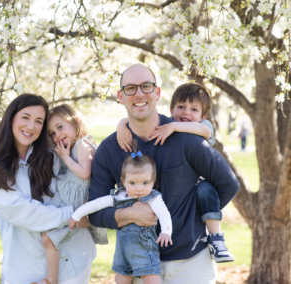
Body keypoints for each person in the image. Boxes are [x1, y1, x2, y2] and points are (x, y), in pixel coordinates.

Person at [88, 64, 240, 284]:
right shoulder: (109, 149)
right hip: (138, 265)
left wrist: (196, 218)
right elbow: (95, 211)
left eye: (146, 87)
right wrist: (129, 215)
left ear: (157, 93)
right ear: (120, 97)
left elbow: (228, 183)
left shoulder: (186, 137)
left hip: (191, 264)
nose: (139, 94)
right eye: (130, 88)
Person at [0, 94, 96, 284]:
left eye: (39, 121)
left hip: (73, 258)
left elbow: (86, 171)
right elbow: (20, 211)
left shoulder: (51, 150)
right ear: (11, 117)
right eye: (25, 117)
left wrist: (123, 126)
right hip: (26, 265)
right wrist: (74, 215)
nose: (31, 127)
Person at [116, 83, 235, 263]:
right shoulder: (166, 125)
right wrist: (120, 126)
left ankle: (216, 238)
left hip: (202, 187)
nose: (186, 113)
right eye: (181, 107)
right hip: (183, 189)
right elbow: (130, 119)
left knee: (205, 189)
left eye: (193, 109)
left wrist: (173, 127)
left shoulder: (200, 126)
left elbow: (205, 131)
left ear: (203, 116)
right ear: (172, 110)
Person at [69, 149, 172, 284]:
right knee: (120, 279)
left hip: (144, 250)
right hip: (122, 253)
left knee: (152, 279)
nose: (139, 188)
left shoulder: (153, 198)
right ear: (123, 181)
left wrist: (166, 231)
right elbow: (96, 204)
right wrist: (77, 215)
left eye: (145, 183)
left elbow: (164, 213)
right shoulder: (119, 196)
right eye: (133, 183)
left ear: (153, 181)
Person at [34, 104, 108, 284]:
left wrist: (66, 157)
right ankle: (52, 276)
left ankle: (51, 278)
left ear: (75, 122)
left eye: (60, 127)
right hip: (68, 198)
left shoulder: (82, 144)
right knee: (47, 236)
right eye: (52, 133)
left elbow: (84, 173)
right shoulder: (73, 146)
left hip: (72, 202)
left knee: (48, 237)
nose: (57, 135)